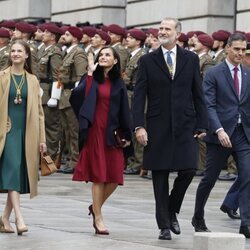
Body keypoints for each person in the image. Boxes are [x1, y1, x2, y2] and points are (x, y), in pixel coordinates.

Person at [132, 17, 208, 240]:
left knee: (188, 170)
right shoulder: (147, 61)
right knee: (160, 174)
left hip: (186, 124)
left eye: (167, 28)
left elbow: (198, 94)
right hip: (157, 124)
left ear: (177, 34)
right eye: (160, 28)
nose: (162, 31)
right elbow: (138, 97)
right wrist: (139, 126)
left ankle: (171, 208)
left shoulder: (191, 59)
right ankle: (164, 225)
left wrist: (202, 123)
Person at [192, 33, 250, 238]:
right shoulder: (214, 73)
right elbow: (209, 105)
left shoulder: (247, 74)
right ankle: (198, 216)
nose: (240, 53)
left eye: (243, 50)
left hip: (243, 134)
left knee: (247, 175)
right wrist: (218, 129)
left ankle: (246, 223)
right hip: (220, 135)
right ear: (227, 48)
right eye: (236, 49)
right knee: (209, 178)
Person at [69, 46, 131, 235]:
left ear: (115, 61)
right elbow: (79, 98)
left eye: (107, 55)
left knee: (115, 176)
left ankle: (95, 206)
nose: (103, 57)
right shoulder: (91, 78)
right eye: (101, 54)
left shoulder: (118, 82)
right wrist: (89, 72)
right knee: (99, 175)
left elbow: (124, 109)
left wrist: (127, 134)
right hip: (94, 131)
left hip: (112, 133)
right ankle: (98, 217)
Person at [0, 39, 46, 235]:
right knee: (12, 170)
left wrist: (42, 139)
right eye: (13, 51)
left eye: (20, 51)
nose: (16, 54)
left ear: (27, 55)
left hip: (27, 132)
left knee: (17, 174)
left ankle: (4, 218)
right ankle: (19, 217)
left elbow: (39, 112)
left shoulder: (33, 80)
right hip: (7, 132)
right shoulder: (1, 77)